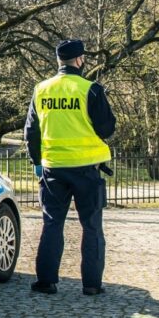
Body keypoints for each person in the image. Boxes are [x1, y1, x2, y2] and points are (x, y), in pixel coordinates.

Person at [24, 39, 116, 296]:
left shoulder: (41, 90)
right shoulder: (91, 89)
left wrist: (37, 162)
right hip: (86, 168)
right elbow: (107, 128)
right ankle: (92, 284)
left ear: (58, 61)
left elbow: (31, 131)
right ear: (80, 60)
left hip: (53, 168)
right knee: (91, 225)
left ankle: (46, 281)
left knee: (52, 223)